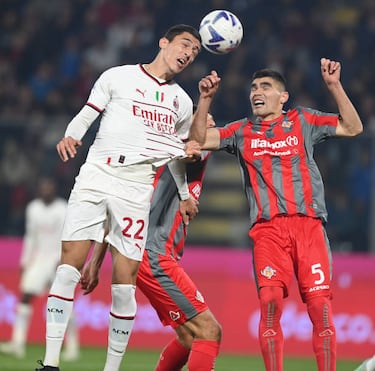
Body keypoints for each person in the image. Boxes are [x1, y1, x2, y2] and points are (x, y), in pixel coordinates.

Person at [34, 24, 220, 371]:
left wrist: (182, 195)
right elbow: (89, 111)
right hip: (96, 174)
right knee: (68, 267)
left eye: (195, 52)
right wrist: (71, 135)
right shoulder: (117, 77)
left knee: (125, 282)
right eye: (185, 45)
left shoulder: (181, 101)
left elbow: (176, 157)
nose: (189, 53)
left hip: (136, 188)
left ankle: (111, 369)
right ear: (164, 43)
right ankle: (51, 363)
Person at [197, 58, 363, 371]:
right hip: (268, 232)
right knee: (270, 304)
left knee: (320, 309)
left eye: (265, 87)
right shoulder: (241, 131)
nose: (256, 92)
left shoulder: (304, 120)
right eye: (253, 87)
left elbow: (354, 127)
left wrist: (334, 86)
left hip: (309, 228)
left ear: (282, 97)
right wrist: (205, 100)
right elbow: (200, 140)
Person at [81, 111, 221, 370]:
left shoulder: (147, 166)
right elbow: (195, 147)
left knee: (188, 336)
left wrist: (94, 262)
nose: (211, 123)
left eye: (210, 118)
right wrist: (205, 100)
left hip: (147, 254)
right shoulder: (187, 156)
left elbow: (116, 213)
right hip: (154, 256)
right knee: (209, 330)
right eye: (203, 119)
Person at [0, 177, 79, 361]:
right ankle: (17, 344)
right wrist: (25, 261)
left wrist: (63, 260)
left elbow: (66, 235)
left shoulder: (62, 208)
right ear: (39, 189)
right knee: (25, 297)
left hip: (57, 260)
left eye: (49, 187)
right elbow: (30, 237)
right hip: (39, 260)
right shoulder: (33, 208)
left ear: (54, 189)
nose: (46, 190)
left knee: (64, 301)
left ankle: (73, 347)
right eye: (43, 187)